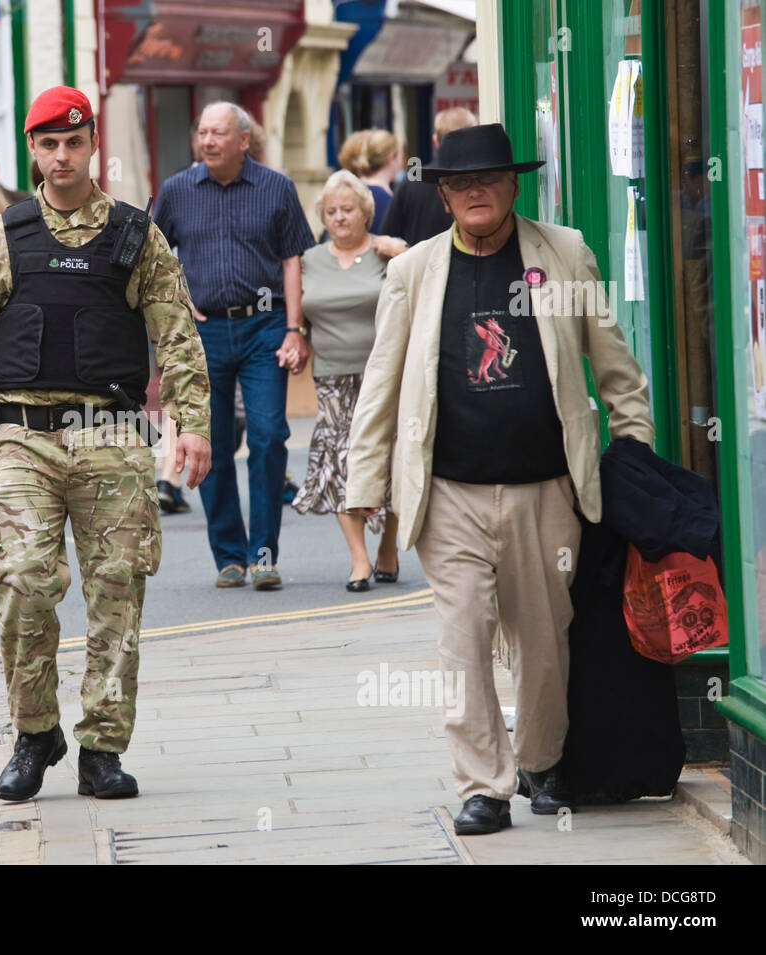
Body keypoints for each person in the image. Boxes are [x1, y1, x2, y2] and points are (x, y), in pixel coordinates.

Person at [344, 124, 656, 836]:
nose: (474, 191)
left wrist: (632, 445)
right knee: (462, 639)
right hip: (448, 491)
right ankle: (484, 783)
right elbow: (383, 381)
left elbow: (613, 362)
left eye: (487, 178)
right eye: (459, 183)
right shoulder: (414, 270)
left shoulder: (563, 252)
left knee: (544, 640)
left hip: (546, 489)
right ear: (444, 194)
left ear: (514, 184)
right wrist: (365, 479)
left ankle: (540, 760)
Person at [0, 86, 212, 801]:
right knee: (24, 578)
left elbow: (177, 334)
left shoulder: (133, 235)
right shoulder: (2, 236)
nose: (62, 157)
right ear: (32, 149)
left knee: (117, 590)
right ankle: (35, 733)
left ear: (93, 145)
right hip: (21, 436)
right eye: (48, 144)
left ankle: (101, 746)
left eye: (75, 142)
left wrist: (195, 424)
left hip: (114, 435)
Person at [153, 101, 314, 590]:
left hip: (264, 326)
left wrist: (293, 329)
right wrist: (179, 305)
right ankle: (229, 556)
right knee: (210, 444)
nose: (207, 141)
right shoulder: (177, 190)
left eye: (218, 133)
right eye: (202, 132)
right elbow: (155, 258)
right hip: (203, 334)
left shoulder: (276, 188)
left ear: (244, 140)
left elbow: (292, 261)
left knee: (268, 436)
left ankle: (263, 555)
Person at [292, 170, 401, 590]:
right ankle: (359, 559)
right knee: (340, 463)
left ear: (366, 212)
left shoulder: (385, 253)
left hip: (383, 373)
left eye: (348, 209)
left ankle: (387, 546)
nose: (339, 218)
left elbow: (425, 278)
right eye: (331, 211)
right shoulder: (309, 259)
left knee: (386, 460)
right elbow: (298, 314)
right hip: (332, 378)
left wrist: (401, 249)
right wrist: (295, 339)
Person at [379, 107, 477, 250]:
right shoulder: (482, 182)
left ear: (435, 140)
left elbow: (387, 236)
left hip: (418, 269)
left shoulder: (413, 180)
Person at [338, 129, 402, 234]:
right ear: (391, 158)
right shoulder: (387, 201)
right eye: (401, 156)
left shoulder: (350, 190)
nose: (402, 162)